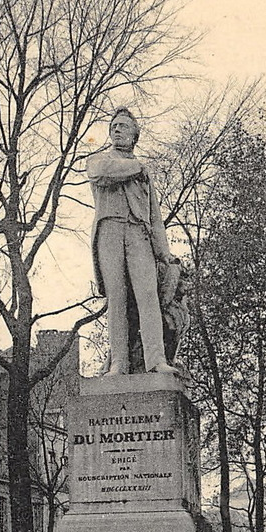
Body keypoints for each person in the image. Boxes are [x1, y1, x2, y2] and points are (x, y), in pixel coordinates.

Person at [87, 107, 178, 375]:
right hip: (110, 230)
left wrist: (164, 254)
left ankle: (156, 360)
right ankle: (118, 364)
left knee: (148, 296)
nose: (117, 129)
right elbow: (100, 173)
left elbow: (155, 217)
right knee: (116, 299)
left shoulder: (145, 176)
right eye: (114, 126)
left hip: (139, 233)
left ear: (134, 135)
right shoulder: (101, 160)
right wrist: (138, 166)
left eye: (123, 126)